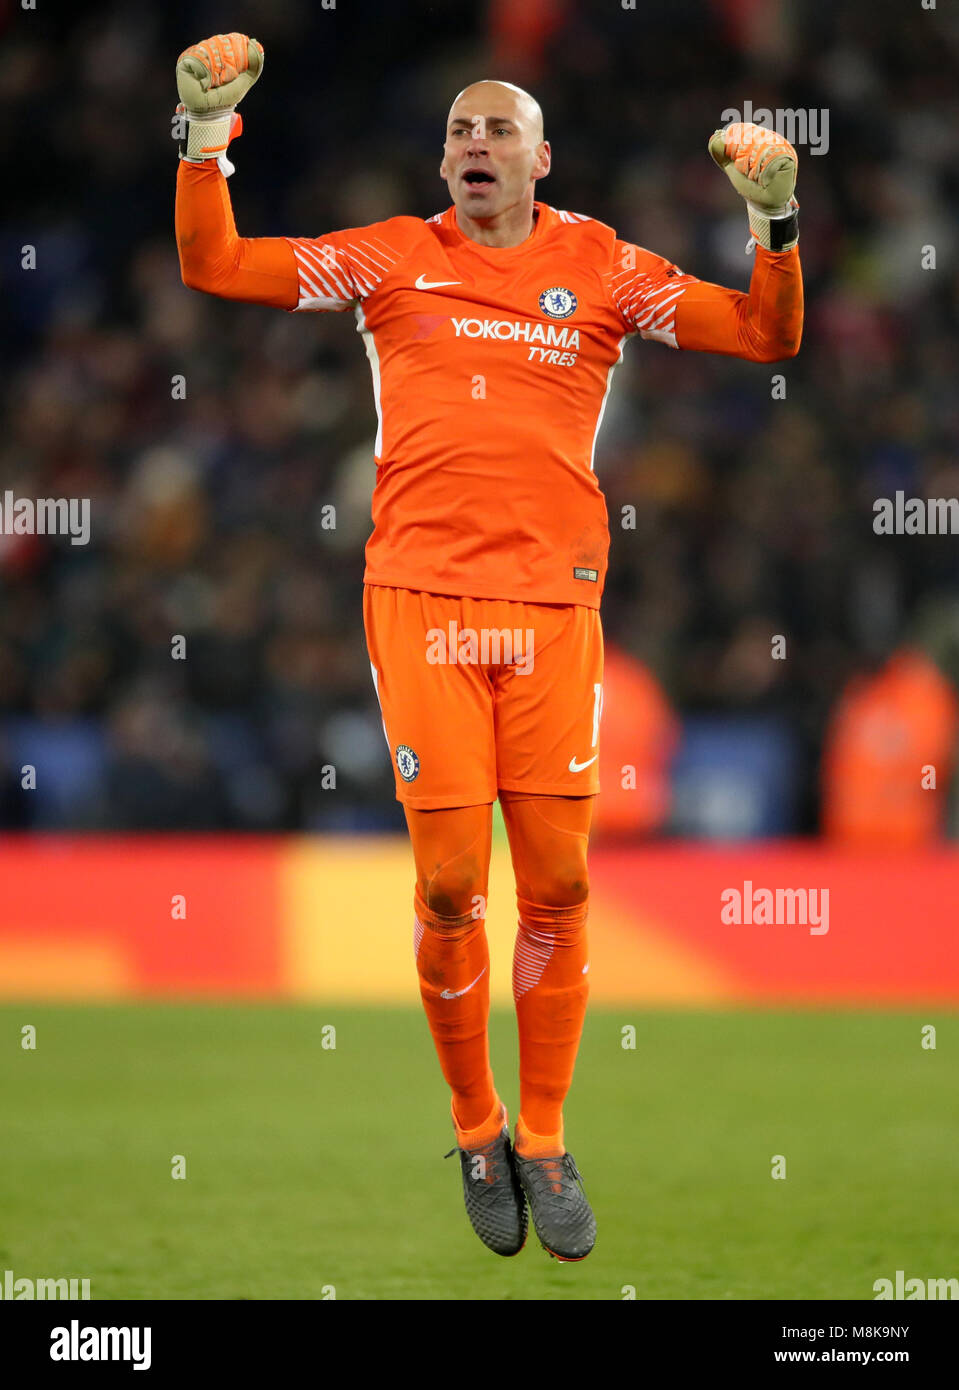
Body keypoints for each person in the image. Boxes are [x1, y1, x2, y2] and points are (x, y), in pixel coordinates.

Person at [174, 32, 803, 1262]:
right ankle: (474, 1124)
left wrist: (772, 226)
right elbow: (215, 265)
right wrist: (203, 141)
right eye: (459, 129)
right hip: (421, 602)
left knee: (560, 886)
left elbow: (766, 338)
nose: (473, 143)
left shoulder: (606, 267)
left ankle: (545, 1134)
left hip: (553, 610)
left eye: (497, 128)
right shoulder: (393, 258)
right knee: (454, 886)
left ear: (540, 158)